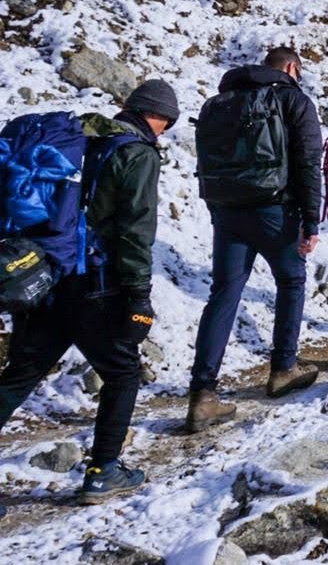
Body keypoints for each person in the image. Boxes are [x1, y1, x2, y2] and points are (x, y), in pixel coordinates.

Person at [0, 79, 177, 505]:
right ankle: (104, 471)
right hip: (95, 284)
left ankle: (105, 469)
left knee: (20, 375)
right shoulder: (136, 153)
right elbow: (136, 229)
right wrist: (138, 295)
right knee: (123, 373)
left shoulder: (86, 136)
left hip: (46, 276)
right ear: (160, 119)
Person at [188, 47, 323, 433]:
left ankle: (203, 393)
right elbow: (308, 162)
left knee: (225, 291)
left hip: (226, 209)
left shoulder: (220, 101)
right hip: (274, 209)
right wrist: (312, 221)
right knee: (291, 281)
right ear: (292, 68)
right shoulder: (292, 99)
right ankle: (283, 368)